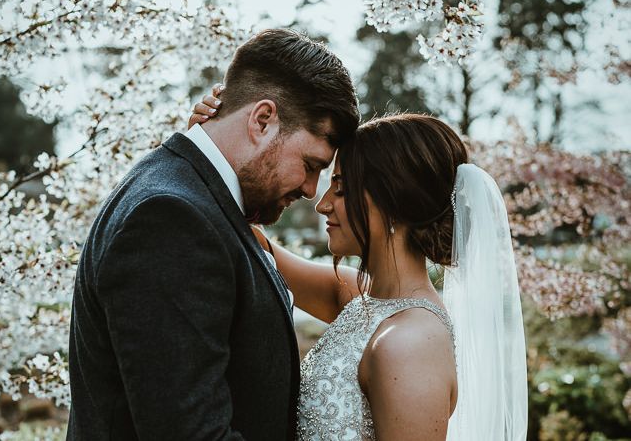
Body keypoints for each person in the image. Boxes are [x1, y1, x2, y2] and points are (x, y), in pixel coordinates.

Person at [66, 28, 360, 440]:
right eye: (311, 164)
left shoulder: (196, 202)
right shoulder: (170, 219)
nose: (312, 190)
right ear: (262, 120)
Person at [192, 97, 528, 440]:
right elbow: (256, 244)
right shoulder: (362, 298)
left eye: (340, 188)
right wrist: (213, 146)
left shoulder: (409, 344)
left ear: (393, 201)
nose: (322, 205)